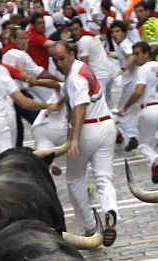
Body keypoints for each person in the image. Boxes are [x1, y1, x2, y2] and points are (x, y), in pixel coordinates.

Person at [51, 41, 119, 245]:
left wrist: (74, 139)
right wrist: (60, 103)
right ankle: (110, 211)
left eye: (62, 58)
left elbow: (80, 106)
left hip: (87, 130)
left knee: (75, 179)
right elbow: (75, 93)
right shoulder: (82, 67)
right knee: (104, 177)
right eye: (55, 60)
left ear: (71, 54)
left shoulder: (75, 77)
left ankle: (90, 226)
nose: (59, 64)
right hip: (106, 125)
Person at [117, 40, 158, 183]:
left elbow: (139, 91)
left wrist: (125, 107)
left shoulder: (143, 70)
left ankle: (153, 159)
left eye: (137, 54)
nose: (135, 57)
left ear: (147, 53)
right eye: (133, 54)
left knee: (144, 144)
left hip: (149, 110)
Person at [69, 17, 118, 100]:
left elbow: (84, 64)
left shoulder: (83, 41)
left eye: (76, 29)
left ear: (81, 28)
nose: (74, 32)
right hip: (109, 72)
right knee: (108, 102)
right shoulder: (90, 36)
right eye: (72, 30)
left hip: (100, 75)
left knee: (98, 102)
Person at [109, 19, 140, 150]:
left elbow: (133, 55)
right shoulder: (121, 45)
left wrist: (122, 69)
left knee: (121, 111)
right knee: (128, 112)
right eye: (112, 32)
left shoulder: (125, 44)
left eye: (117, 31)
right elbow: (122, 56)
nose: (114, 34)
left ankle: (132, 137)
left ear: (124, 33)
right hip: (132, 82)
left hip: (131, 83)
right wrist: (110, 54)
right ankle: (133, 137)